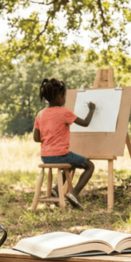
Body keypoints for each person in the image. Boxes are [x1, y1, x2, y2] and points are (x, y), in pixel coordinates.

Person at [33, 78, 95, 209]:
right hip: (61, 155)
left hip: (45, 157)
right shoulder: (64, 112)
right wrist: (91, 110)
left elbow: (36, 138)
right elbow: (85, 123)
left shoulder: (40, 114)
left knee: (72, 163)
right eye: (64, 96)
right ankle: (74, 193)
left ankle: (55, 189)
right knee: (90, 166)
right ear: (59, 96)